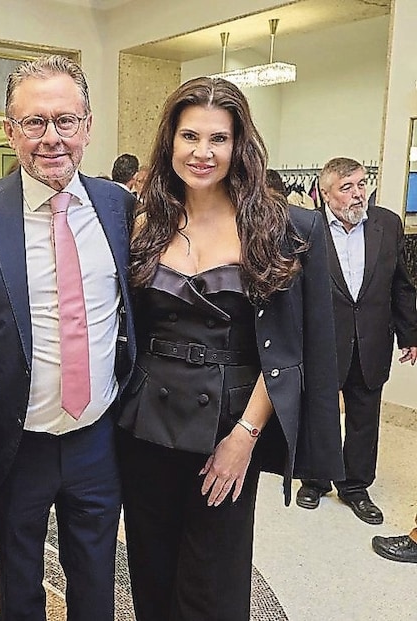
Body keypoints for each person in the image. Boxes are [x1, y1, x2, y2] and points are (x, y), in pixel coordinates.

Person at [119, 76, 344, 621]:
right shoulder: (140, 219)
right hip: (143, 423)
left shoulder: (283, 226)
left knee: (212, 585)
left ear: (239, 144)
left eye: (218, 139)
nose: (202, 152)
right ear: (169, 141)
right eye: (189, 136)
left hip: (228, 421)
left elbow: (291, 348)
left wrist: (244, 436)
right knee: (149, 572)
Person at [0, 55, 136, 621]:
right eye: (34, 122)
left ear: (87, 126)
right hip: (14, 440)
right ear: (9, 130)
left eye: (65, 120)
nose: (51, 137)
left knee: (95, 582)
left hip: (98, 438)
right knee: (19, 587)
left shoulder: (118, 206)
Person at [297, 157, 417, 524]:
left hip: (371, 339)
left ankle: (355, 486)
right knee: (320, 412)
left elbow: (401, 283)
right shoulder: (307, 228)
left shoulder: (387, 224)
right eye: (346, 188)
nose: (357, 194)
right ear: (325, 193)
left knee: (365, 414)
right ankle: (315, 479)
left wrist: (410, 334)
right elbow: (294, 290)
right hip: (323, 341)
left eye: (361, 184)